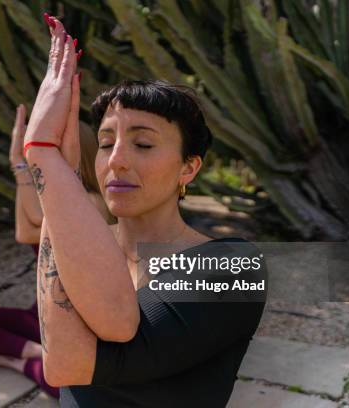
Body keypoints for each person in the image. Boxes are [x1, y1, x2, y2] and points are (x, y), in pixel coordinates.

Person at [21, 14, 267, 407]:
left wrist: (44, 158)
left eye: (144, 145)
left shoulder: (233, 268)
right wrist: (60, 177)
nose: (116, 160)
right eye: (104, 143)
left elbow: (69, 363)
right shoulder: (86, 240)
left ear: (188, 168)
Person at [0, 100, 114, 399]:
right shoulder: (49, 199)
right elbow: (25, 232)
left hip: (75, 328)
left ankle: (21, 363)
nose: (39, 162)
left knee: (74, 391)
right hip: (42, 320)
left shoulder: (94, 201)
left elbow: (34, 223)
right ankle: (36, 354)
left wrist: (24, 163)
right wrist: (20, 165)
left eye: (46, 152)